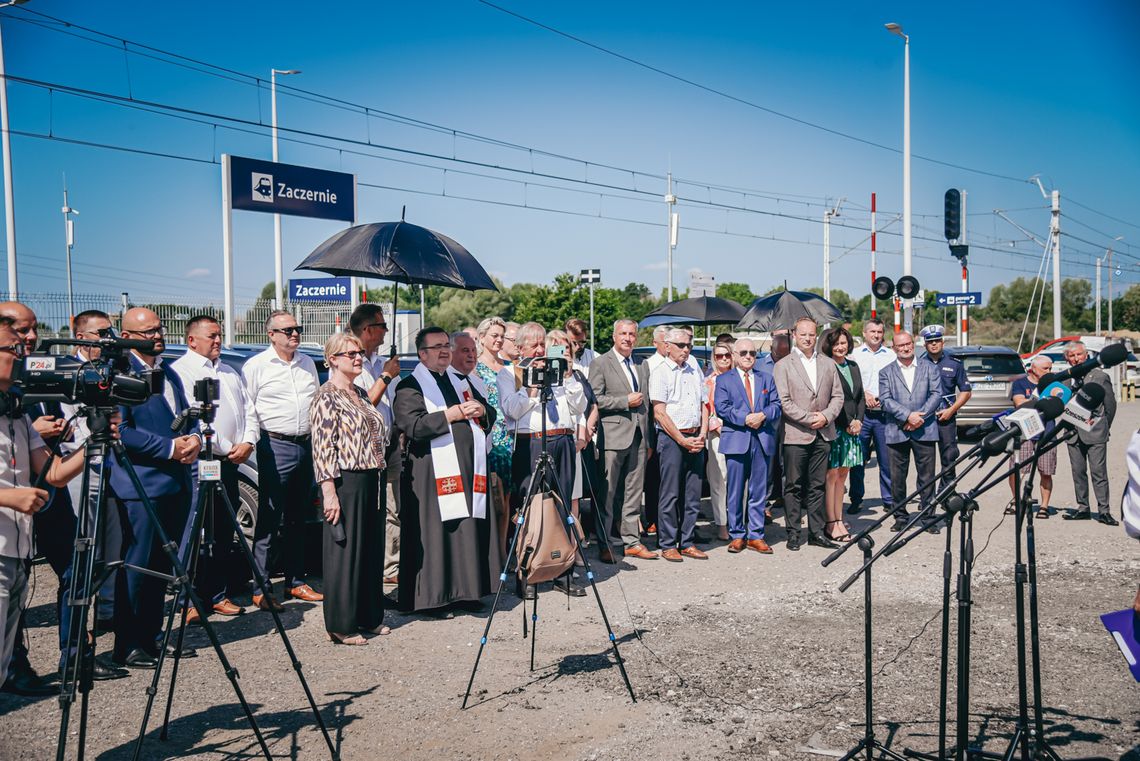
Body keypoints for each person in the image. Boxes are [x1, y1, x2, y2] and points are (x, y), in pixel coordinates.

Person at [0, 316, 94, 688]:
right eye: (14, 348)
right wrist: (8, 496)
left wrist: (95, 442)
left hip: (17, 553)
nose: (23, 355)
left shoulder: (17, 410)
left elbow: (53, 473)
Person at [112, 308, 200, 667]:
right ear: (127, 335)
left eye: (159, 328)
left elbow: (182, 416)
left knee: (162, 566)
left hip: (175, 482)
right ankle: (128, 642)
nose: (156, 335)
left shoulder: (168, 371)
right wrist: (169, 448)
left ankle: (152, 634)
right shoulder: (120, 374)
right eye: (147, 331)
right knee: (138, 567)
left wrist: (191, 439)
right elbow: (122, 431)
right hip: (141, 484)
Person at [396, 327, 501, 613]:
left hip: (467, 470)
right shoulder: (410, 386)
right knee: (437, 534)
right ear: (422, 353)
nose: (444, 351)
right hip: (430, 473)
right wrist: (450, 415)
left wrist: (482, 410)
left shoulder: (459, 381)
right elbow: (413, 426)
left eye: (446, 345)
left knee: (465, 529)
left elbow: (488, 412)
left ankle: (468, 592)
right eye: (436, 347)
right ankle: (433, 598)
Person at [170, 315, 258, 621]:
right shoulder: (179, 373)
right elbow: (194, 419)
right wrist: (224, 445)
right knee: (193, 531)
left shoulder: (230, 373)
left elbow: (248, 410)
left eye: (220, 335)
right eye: (212, 336)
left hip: (230, 461)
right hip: (201, 461)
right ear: (192, 340)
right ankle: (187, 599)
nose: (218, 340)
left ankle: (217, 594)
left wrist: (247, 441)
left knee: (223, 530)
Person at [241, 310, 324, 611]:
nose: (294, 334)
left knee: (298, 517)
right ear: (271, 334)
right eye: (287, 330)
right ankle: (261, 586)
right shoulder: (256, 366)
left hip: (305, 444)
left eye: (297, 328)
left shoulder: (307, 364)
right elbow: (248, 407)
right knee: (270, 515)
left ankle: (296, 581)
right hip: (273, 444)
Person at [310, 333, 388, 644]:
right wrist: (329, 492)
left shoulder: (360, 393)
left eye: (359, 352)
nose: (358, 357)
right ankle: (341, 624)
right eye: (350, 354)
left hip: (372, 477)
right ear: (333, 360)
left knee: (370, 550)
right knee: (346, 553)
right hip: (346, 480)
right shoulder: (326, 396)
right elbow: (323, 447)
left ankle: (369, 615)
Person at [498, 322, 587, 595]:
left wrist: (570, 376)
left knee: (563, 507)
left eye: (542, 344)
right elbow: (511, 410)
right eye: (534, 345)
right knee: (529, 509)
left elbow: (579, 406)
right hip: (531, 442)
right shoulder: (509, 372)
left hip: (562, 439)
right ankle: (527, 573)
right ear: (520, 347)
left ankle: (563, 572)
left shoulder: (558, 370)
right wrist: (532, 387)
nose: (539, 349)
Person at [773, 317, 844, 551]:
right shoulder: (783, 365)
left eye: (811, 334)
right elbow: (784, 401)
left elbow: (838, 396)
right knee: (794, 486)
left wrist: (825, 416)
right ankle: (793, 533)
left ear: (816, 335)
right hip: (796, 434)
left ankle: (816, 532)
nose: (807, 338)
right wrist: (808, 418)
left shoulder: (828, 363)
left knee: (817, 486)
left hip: (823, 432)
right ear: (794, 335)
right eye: (803, 334)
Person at [589, 319, 655, 562]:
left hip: (639, 437)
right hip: (613, 437)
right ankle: (605, 542)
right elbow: (595, 399)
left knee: (634, 493)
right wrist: (624, 401)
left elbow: (647, 404)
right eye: (623, 334)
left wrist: (649, 440)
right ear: (614, 336)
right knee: (607, 493)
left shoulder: (642, 365)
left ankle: (631, 542)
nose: (628, 338)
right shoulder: (600, 363)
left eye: (632, 334)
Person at [348, 304, 403, 585]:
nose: (386, 331)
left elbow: (393, 403)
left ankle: (390, 566)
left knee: (392, 506)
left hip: (390, 442)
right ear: (368, 329)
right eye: (382, 326)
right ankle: (369, 566)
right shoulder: (352, 362)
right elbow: (363, 405)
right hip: (364, 447)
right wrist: (386, 376)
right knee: (370, 508)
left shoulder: (381, 361)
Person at [648, 328, 709, 562]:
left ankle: (687, 541)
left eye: (689, 345)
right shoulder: (661, 371)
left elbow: (704, 403)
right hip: (672, 438)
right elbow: (660, 412)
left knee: (693, 495)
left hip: (695, 436)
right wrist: (682, 439)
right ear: (667, 346)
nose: (686, 350)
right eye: (681, 345)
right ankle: (667, 543)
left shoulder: (694, 366)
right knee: (670, 493)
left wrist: (702, 434)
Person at [715, 337, 781, 554]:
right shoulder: (724, 380)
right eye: (743, 353)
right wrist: (745, 418)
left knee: (758, 490)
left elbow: (777, 406)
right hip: (737, 439)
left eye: (752, 353)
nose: (748, 357)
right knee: (734, 490)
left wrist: (762, 415)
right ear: (734, 355)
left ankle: (756, 534)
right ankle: (736, 534)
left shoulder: (766, 378)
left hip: (761, 438)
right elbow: (722, 408)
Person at [878, 331, 942, 532]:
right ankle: (900, 516)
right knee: (898, 478)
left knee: (927, 476)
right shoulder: (885, 372)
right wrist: (907, 416)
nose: (905, 348)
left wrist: (919, 418)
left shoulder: (929, 368)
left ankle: (928, 516)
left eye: (908, 344)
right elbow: (886, 400)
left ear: (913, 344)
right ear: (894, 348)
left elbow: (936, 394)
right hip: (897, 430)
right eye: (900, 346)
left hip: (925, 428)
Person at [1061, 341, 1118, 525]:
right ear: (1067, 359)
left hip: (1095, 432)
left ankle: (1104, 511)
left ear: (1086, 356)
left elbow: (1110, 405)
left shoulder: (1099, 376)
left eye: (1079, 355)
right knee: (1078, 472)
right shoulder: (1066, 380)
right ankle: (1083, 507)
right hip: (1072, 432)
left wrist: (1103, 426)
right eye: (1072, 356)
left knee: (1098, 472)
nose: (1076, 359)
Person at [820, 327, 864, 543]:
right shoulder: (827, 367)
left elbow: (860, 397)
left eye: (843, 343)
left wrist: (859, 421)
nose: (840, 347)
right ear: (830, 345)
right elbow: (830, 400)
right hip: (836, 428)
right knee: (832, 476)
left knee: (843, 475)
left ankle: (839, 517)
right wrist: (847, 423)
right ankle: (831, 522)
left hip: (853, 429)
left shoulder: (853, 366)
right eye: (836, 343)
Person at [475, 316, 514, 559]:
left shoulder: (509, 367)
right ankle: (489, 555)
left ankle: (503, 551)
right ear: (481, 338)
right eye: (494, 335)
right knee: (492, 499)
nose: (499, 340)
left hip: (510, 437)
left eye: (502, 335)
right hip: (489, 439)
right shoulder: (475, 368)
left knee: (508, 500)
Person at [849, 318, 896, 516]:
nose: (876, 335)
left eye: (879, 332)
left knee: (886, 461)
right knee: (858, 460)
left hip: (884, 415)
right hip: (862, 415)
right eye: (872, 332)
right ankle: (856, 499)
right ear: (864, 333)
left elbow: (896, 381)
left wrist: (881, 398)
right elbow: (850, 382)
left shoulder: (891, 355)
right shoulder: (855, 355)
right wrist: (865, 395)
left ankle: (889, 499)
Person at [918, 325, 972, 490]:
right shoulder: (918, 364)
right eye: (930, 342)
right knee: (926, 462)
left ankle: (946, 492)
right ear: (925, 344)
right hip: (925, 420)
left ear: (942, 342)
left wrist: (952, 410)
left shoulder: (954, 364)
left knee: (949, 457)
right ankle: (927, 497)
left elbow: (966, 391)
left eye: (937, 341)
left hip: (946, 418)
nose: (933, 344)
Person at [1008, 355, 1057, 518]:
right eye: (1045, 368)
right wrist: (1040, 399)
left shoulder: (1053, 385)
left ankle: (1044, 506)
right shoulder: (1020, 383)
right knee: (1017, 470)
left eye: (1050, 368)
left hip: (1047, 431)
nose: (1049, 371)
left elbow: (1060, 403)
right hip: (1025, 431)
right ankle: (1016, 500)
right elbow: (1019, 403)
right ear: (1033, 368)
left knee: (1046, 471)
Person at [703, 343, 734, 542]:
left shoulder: (740, 378)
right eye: (719, 356)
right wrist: (716, 425)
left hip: (739, 433)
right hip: (716, 435)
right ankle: (721, 523)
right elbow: (705, 409)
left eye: (727, 355)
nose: (723, 359)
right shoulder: (709, 381)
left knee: (739, 481)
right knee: (719, 480)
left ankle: (737, 520)